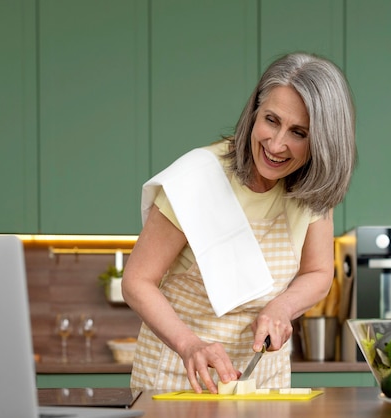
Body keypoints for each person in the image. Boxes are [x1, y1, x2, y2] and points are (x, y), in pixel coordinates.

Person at [121, 52, 356, 394]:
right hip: (178, 375)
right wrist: (190, 345)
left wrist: (282, 307)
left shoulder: (311, 188)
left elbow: (318, 273)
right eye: (271, 120)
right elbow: (136, 281)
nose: (276, 145)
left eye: (299, 132)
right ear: (254, 112)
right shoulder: (196, 177)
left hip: (262, 380)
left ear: (323, 141)